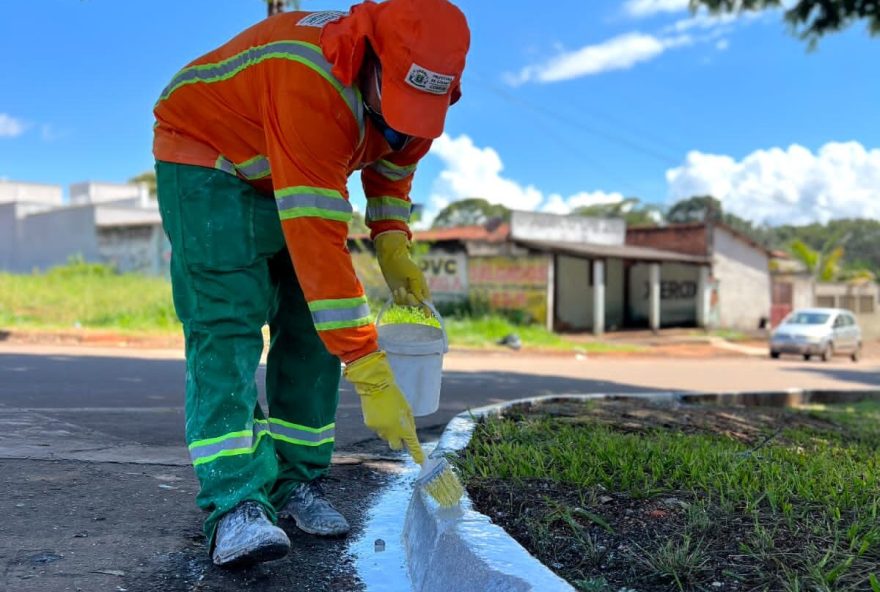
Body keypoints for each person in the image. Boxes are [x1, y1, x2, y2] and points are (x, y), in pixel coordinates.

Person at [152, 0, 470, 566]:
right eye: (397, 103)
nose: (406, 122)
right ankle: (235, 503)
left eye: (421, 109)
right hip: (211, 157)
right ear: (369, 60)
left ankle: (295, 481)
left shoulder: (424, 93)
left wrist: (392, 238)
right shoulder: (312, 76)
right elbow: (319, 242)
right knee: (226, 324)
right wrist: (369, 368)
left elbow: (393, 166)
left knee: (309, 324)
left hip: (293, 160)